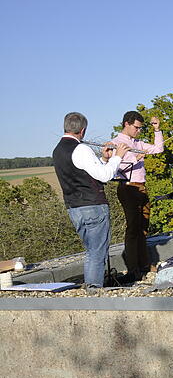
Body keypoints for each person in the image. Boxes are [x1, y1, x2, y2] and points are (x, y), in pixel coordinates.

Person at [52, 112, 129, 288]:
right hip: (92, 206)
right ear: (83, 130)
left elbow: (92, 176)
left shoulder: (57, 150)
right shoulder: (81, 149)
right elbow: (106, 175)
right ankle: (94, 291)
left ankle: (92, 287)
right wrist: (118, 156)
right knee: (97, 253)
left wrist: (104, 159)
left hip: (74, 208)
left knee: (91, 251)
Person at [111, 111, 164, 282]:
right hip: (127, 187)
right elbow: (115, 169)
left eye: (140, 128)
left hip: (141, 187)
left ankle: (144, 264)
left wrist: (157, 130)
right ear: (126, 124)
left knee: (143, 227)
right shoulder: (116, 143)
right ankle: (133, 268)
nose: (138, 131)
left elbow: (158, 149)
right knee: (133, 228)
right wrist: (135, 159)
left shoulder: (137, 143)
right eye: (136, 128)